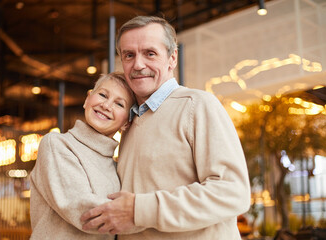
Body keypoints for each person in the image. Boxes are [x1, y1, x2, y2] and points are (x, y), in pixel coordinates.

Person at [81, 16, 251, 239]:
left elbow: (233, 192)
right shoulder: (130, 122)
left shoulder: (197, 105)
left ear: (172, 58)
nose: (138, 65)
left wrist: (139, 210)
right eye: (129, 55)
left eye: (150, 53)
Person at [30, 72, 135, 240]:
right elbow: (83, 210)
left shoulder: (118, 167)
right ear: (88, 99)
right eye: (102, 95)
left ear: (127, 122)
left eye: (119, 104)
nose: (106, 105)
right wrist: (147, 212)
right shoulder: (56, 145)